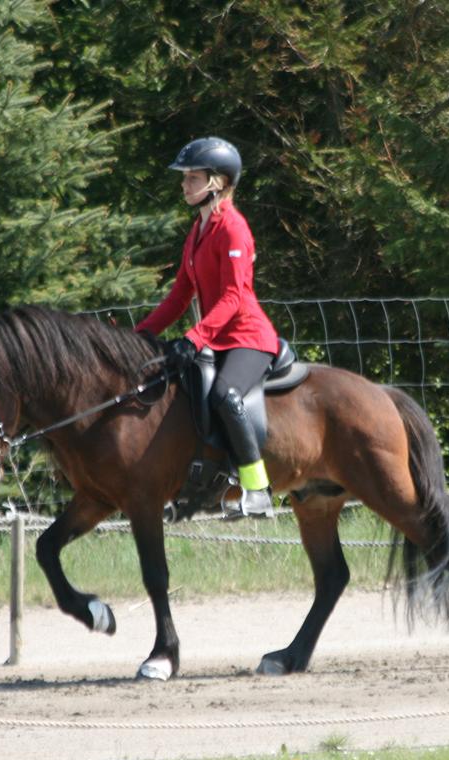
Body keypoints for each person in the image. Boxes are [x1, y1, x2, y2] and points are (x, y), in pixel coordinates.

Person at [135, 137, 279, 518]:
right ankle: (203, 486)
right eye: (185, 178)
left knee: (225, 395)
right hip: (216, 336)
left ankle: (257, 489)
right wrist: (139, 335)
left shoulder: (233, 228)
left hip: (247, 337)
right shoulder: (197, 231)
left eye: (192, 178)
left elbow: (233, 297)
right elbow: (179, 296)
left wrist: (194, 337)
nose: (184, 185)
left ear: (217, 182)